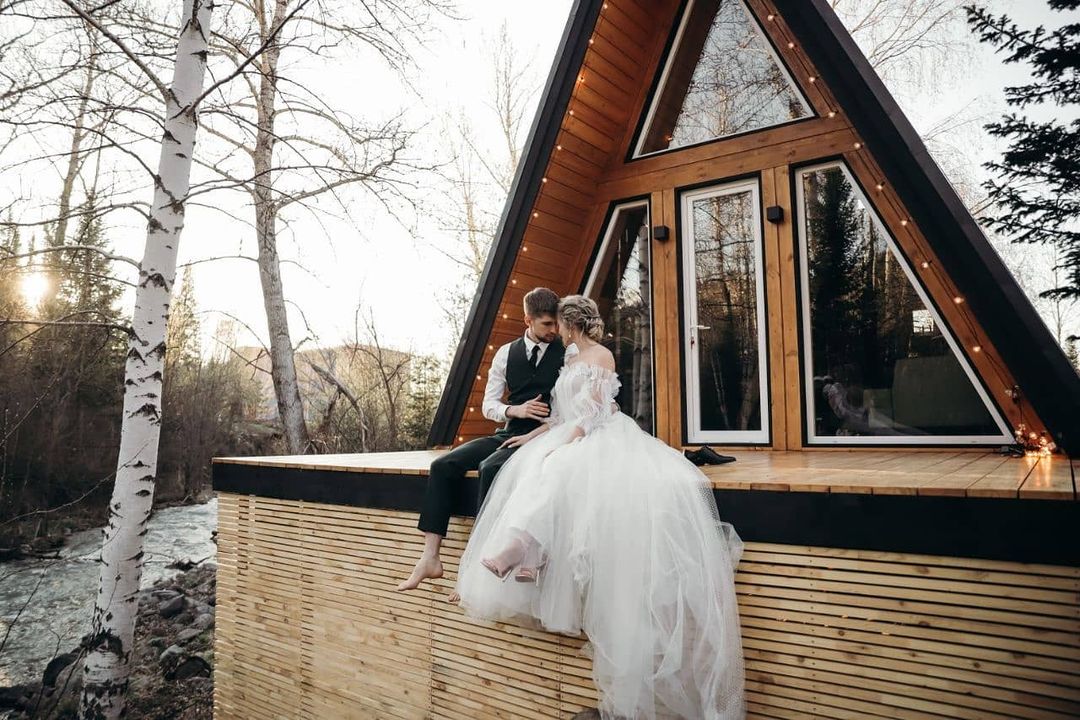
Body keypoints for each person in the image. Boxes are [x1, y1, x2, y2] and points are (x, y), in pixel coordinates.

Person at [454, 295, 746, 720]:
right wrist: (534, 437)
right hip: (570, 432)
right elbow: (562, 414)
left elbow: (592, 413)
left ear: (570, 324)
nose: (557, 331)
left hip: (599, 436)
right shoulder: (570, 358)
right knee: (532, 466)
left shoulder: (602, 356)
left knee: (556, 468)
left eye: (560, 324)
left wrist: (563, 445)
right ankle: (527, 549)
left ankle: (523, 545)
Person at [397, 287, 566, 592]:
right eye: (547, 324)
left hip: (543, 436)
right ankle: (429, 557)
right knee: (443, 465)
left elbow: (570, 410)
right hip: (509, 430)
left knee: (490, 467)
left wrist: (538, 427)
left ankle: (477, 566)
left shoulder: (567, 353)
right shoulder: (506, 353)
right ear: (527, 320)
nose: (554, 329)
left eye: (556, 323)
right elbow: (489, 405)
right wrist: (514, 410)